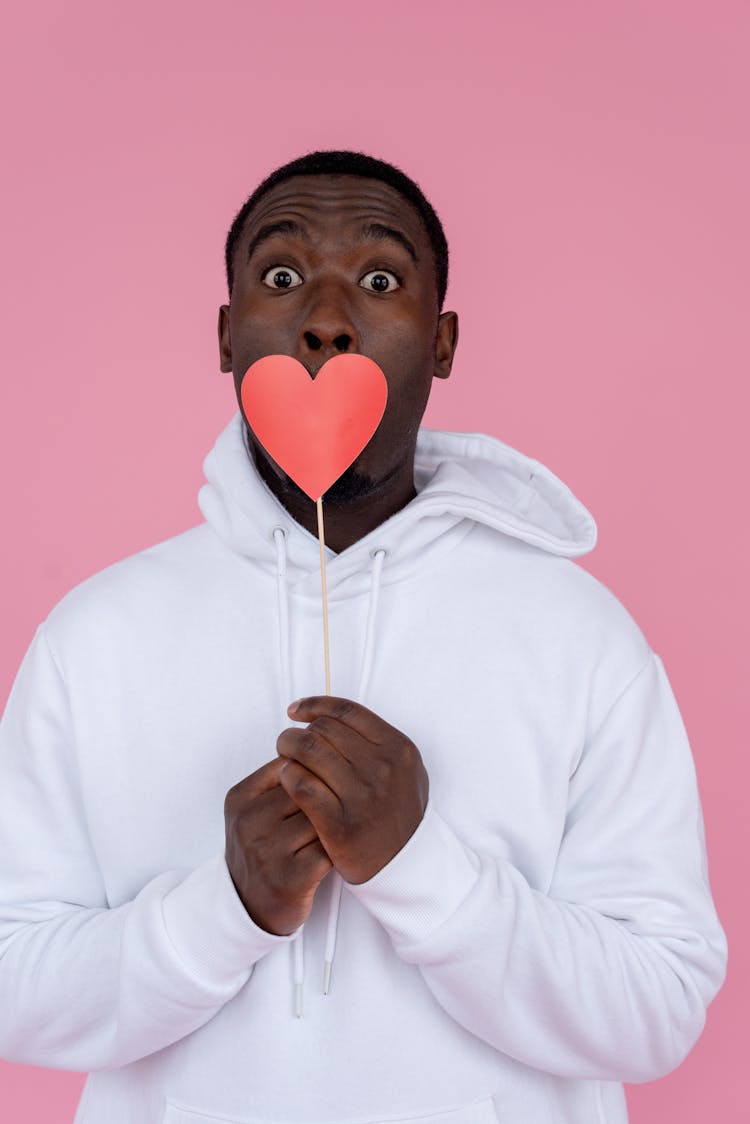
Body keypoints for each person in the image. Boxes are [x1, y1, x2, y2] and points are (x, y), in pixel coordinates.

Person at [0, 150, 727, 1124]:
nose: (327, 316)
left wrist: (420, 865)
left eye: (380, 280)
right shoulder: (93, 639)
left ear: (443, 340)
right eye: (283, 274)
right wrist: (223, 909)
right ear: (226, 334)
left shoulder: (581, 638)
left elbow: (660, 1006)